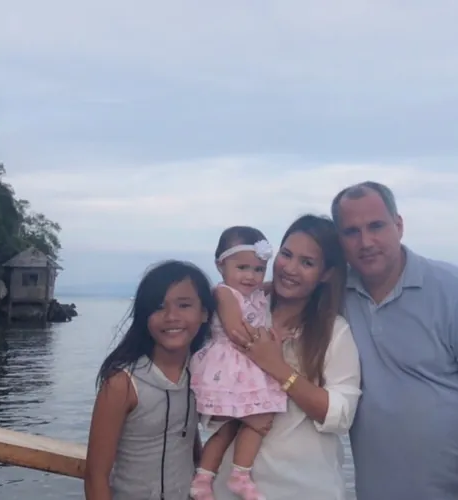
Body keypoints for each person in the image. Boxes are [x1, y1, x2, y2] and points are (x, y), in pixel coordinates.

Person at [212, 214, 362, 499]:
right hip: (229, 490)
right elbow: (209, 395)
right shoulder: (244, 313)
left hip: (303, 487)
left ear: (326, 274)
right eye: (287, 254)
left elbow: (341, 415)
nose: (290, 269)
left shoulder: (333, 331)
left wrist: (277, 367)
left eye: (307, 263)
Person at [330, 181, 458, 500]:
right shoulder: (332, 296)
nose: (366, 242)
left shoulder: (450, 288)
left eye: (376, 226)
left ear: (398, 226)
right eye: (351, 231)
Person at [84, 260, 216, 500]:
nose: (171, 316)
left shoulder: (200, 375)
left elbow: (186, 439)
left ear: (205, 313)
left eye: (184, 305)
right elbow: (96, 477)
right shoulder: (122, 383)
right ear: (144, 316)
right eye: (158, 307)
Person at [189, 226, 288, 500]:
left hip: (247, 366)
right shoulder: (224, 293)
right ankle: (206, 478)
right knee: (248, 422)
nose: (251, 276)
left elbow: (277, 287)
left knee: (242, 425)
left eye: (259, 269)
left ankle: (234, 476)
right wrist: (270, 341)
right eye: (242, 267)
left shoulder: (254, 293)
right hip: (230, 366)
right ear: (220, 266)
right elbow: (235, 331)